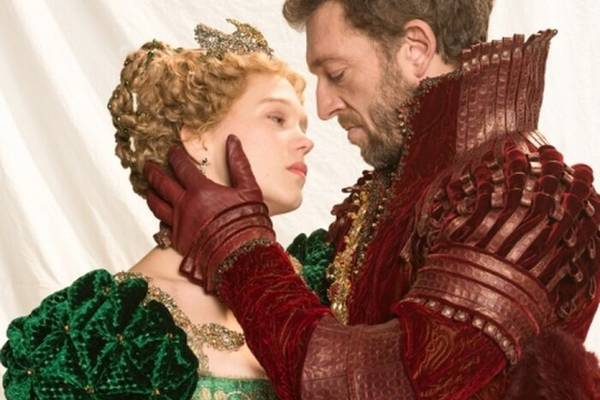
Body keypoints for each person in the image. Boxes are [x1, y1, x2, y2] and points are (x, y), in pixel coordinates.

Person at [144, 1, 600, 399]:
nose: (324, 107)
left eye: (336, 74)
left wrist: (238, 243)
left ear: (416, 49)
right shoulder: (394, 190)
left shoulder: (526, 195)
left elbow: (383, 385)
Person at [0, 20, 314, 399]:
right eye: (277, 118)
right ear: (197, 138)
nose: (306, 141)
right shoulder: (105, 331)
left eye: (303, 125)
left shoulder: (317, 289)